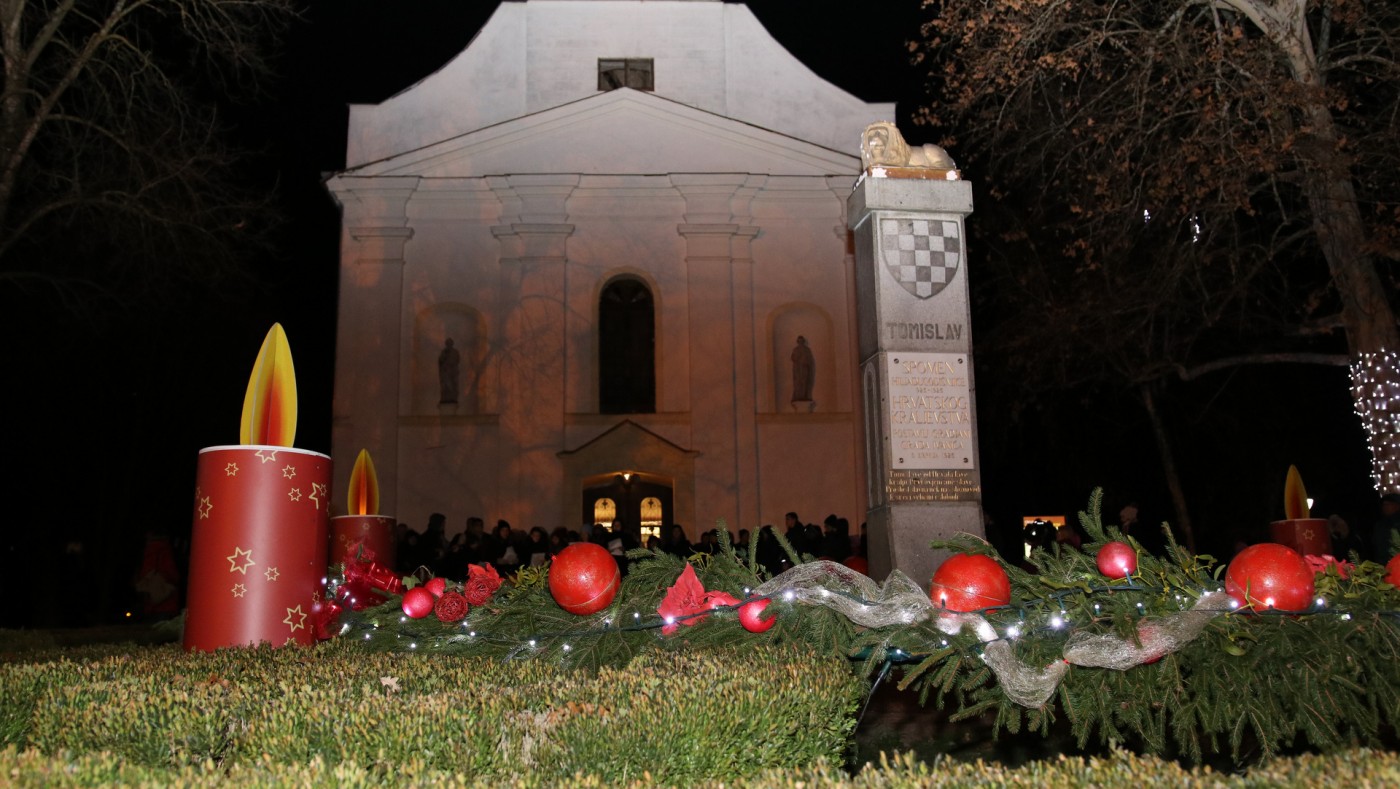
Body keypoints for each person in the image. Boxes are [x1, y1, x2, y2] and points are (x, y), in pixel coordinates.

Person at [1371, 493, 1400, 562]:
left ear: (1397, 506)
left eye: (1388, 504)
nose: (1385, 507)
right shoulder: (1380, 524)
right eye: (1384, 505)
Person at [790, 336, 815, 402]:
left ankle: (805, 396)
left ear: (803, 342)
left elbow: (810, 360)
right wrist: (798, 359)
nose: (800, 342)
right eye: (799, 341)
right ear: (798, 342)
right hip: (797, 370)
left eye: (802, 341)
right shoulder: (795, 350)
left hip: (804, 369)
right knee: (798, 382)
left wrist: (805, 362)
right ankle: (798, 396)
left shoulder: (807, 350)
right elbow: (793, 358)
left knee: (805, 382)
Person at [438, 338, 461, 404]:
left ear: (452, 344)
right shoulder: (444, 352)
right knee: (446, 385)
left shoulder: (455, 352)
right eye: (447, 343)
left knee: (453, 384)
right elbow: (440, 361)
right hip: (446, 371)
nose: (448, 345)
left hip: (453, 371)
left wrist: (451, 365)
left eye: (450, 343)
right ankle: (446, 397)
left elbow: (457, 360)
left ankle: (453, 397)